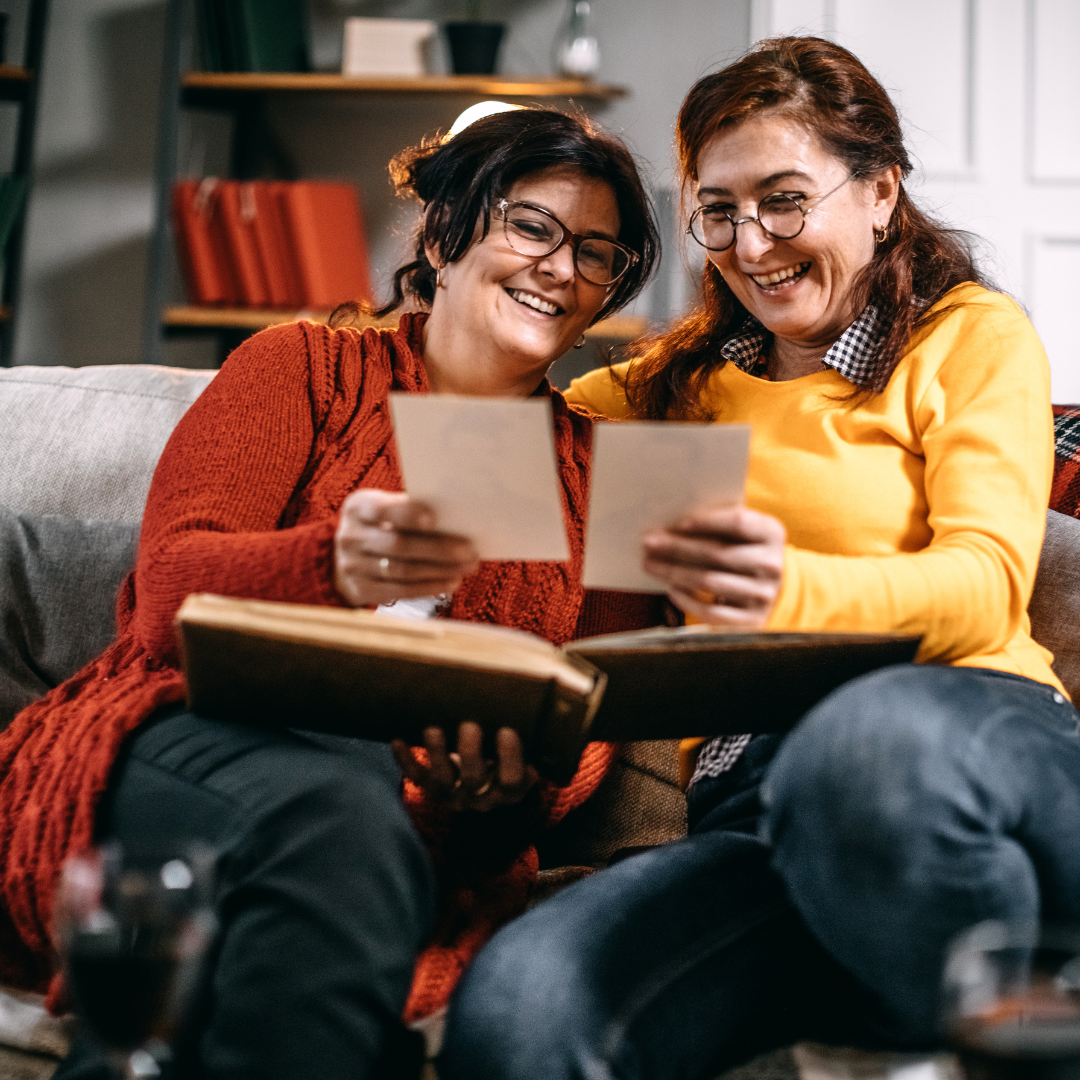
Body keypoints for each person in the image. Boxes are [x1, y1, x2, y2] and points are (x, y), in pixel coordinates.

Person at [440, 36, 1080, 1080]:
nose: (751, 242)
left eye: (784, 199)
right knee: (519, 1005)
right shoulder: (676, 385)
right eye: (718, 209)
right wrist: (483, 281)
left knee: (858, 743)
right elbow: (483, 442)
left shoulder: (968, 339)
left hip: (971, 753)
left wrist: (784, 590)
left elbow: (984, 586)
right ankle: (934, 1003)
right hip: (759, 813)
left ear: (880, 191)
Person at [0, 106, 663, 1079]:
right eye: (532, 227)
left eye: (597, 253)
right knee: (339, 813)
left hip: (415, 822)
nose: (563, 269)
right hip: (185, 734)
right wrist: (328, 565)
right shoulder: (303, 368)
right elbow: (170, 593)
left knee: (343, 829)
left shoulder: (605, 469)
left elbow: (602, 699)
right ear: (443, 234)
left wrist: (514, 791)